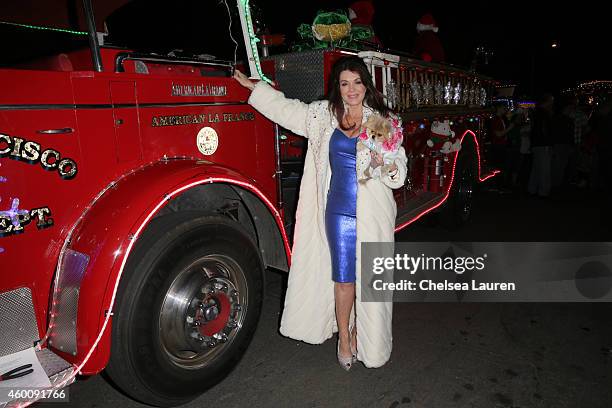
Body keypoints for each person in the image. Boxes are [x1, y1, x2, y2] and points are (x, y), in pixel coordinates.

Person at [233, 56, 408, 370]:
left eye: (356, 82)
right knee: (343, 281)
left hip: (372, 217)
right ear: (337, 87)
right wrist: (256, 88)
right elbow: (288, 110)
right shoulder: (322, 116)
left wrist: (387, 166)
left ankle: (362, 333)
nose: (351, 89)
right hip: (337, 214)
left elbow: (399, 175)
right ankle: (344, 336)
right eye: (344, 83)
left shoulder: (383, 121)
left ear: (366, 84)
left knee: (367, 281)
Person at [528, 94, 555, 197]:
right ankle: (543, 192)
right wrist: (549, 143)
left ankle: (532, 189)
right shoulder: (544, 114)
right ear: (547, 102)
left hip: (537, 144)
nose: (552, 103)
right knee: (544, 169)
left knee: (536, 168)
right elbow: (545, 130)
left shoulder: (536, 113)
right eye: (551, 101)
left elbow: (534, 129)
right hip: (543, 144)